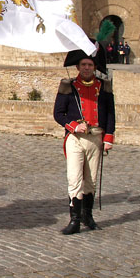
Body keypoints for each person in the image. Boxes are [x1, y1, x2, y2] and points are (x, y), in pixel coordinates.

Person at [53, 42, 115, 235]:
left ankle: (88, 216)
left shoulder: (103, 86)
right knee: (75, 179)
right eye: (83, 65)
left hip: (96, 138)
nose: (87, 68)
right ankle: (75, 220)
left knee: (91, 181)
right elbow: (58, 113)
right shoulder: (68, 86)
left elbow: (110, 114)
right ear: (78, 67)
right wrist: (73, 125)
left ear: (94, 67)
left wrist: (109, 137)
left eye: (90, 65)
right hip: (75, 138)